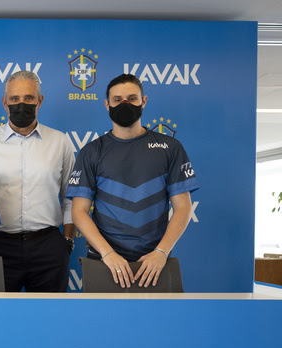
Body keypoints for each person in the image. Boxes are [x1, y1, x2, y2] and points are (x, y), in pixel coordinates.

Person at [67, 73, 199, 288]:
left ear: (143, 101)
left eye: (132, 98)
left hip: (154, 263)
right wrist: (108, 254)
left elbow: (183, 207)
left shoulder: (170, 148)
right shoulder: (91, 152)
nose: (125, 104)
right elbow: (79, 211)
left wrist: (161, 252)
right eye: (117, 100)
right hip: (104, 262)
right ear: (107, 104)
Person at [0, 71, 75, 292]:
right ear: (5, 102)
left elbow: (71, 198)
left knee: (49, 312)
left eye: (28, 98)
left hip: (48, 247)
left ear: (40, 101)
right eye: (14, 99)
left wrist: (67, 241)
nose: (21, 104)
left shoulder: (60, 142)